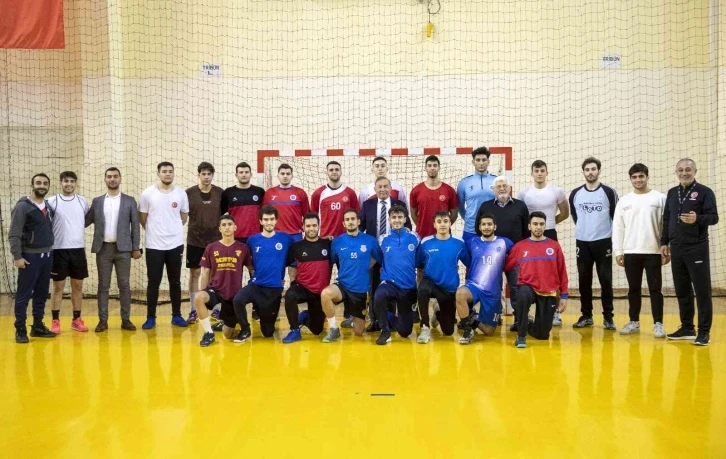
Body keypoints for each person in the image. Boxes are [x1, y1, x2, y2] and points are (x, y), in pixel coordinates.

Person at [660, 158, 719, 346]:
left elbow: (714, 217)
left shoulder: (704, 192)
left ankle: (704, 332)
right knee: (682, 289)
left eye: (687, 169)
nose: (684, 173)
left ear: (694, 171)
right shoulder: (672, 193)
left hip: (697, 247)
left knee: (702, 291)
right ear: (676, 172)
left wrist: (697, 219)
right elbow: (667, 219)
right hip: (676, 248)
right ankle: (687, 328)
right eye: (680, 170)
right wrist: (664, 242)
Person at [613, 163, 667, 338]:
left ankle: (658, 324)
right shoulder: (624, 201)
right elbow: (618, 227)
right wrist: (618, 251)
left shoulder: (660, 198)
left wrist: (668, 248)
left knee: (655, 289)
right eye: (634, 177)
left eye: (641, 176)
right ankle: (634, 322)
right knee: (633, 289)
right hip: (631, 252)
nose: (638, 180)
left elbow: (666, 226)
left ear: (647, 177)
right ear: (630, 179)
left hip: (654, 251)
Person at [85, 167, 142, 332]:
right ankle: (102, 321)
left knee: (124, 285)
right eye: (109, 176)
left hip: (124, 250)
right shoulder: (97, 201)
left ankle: (126, 319)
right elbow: (85, 221)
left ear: (120, 179)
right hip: (103, 249)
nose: (112, 179)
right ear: (105, 179)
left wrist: (136, 248)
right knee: (103, 286)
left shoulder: (130, 201)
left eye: (115, 176)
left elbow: (135, 227)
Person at [505, 212, 569, 348]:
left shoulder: (554, 246)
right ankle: (521, 335)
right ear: (529, 226)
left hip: (548, 290)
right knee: (523, 293)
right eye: (535, 224)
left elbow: (562, 271)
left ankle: (528, 324)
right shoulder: (520, 246)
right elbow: (506, 265)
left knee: (542, 335)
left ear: (545, 226)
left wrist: (564, 296)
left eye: (541, 224)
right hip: (528, 286)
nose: (538, 227)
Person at [517, 160, 569, 325]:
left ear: (547, 172)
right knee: (528, 272)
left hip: (550, 233)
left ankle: (555, 312)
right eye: (536, 171)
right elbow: (522, 215)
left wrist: (547, 225)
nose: (539, 173)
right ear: (532, 173)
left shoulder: (557, 191)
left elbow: (565, 213)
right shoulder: (524, 193)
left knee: (553, 273)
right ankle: (525, 311)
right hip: (530, 236)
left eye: (542, 170)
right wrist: (533, 228)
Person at [569, 157, 618, 330]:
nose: (590, 172)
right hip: (582, 242)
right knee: (584, 280)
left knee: (606, 280)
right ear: (583, 172)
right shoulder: (575, 194)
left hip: (603, 242)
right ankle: (586, 315)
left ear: (599, 171)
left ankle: (608, 317)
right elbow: (575, 216)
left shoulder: (609, 192)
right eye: (587, 169)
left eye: (593, 169)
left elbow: (615, 217)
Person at [139, 161, 190, 329]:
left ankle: (176, 315)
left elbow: (183, 217)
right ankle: (150, 317)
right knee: (153, 282)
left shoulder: (181, 194)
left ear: (173, 173)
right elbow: (143, 218)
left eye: (170, 171)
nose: (168, 174)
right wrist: (155, 231)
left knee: (175, 281)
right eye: (164, 171)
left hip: (175, 244)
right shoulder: (147, 193)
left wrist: (172, 230)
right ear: (158, 173)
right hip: (154, 245)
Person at [320, 208, 383, 342]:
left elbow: (381, 260)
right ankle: (334, 329)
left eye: (353, 219)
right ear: (343, 223)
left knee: (359, 332)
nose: (350, 222)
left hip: (360, 289)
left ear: (358, 221)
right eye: (347, 220)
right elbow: (331, 262)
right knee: (325, 294)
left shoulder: (370, 241)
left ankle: (354, 319)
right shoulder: (337, 242)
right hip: (343, 285)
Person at [231, 206, 293, 342]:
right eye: (266, 219)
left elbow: (292, 257)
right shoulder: (252, 240)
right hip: (256, 286)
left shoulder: (285, 239)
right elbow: (248, 261)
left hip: (274, 289)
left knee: (267, 332)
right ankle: (245, 329)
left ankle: (262, 313)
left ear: (276, 220)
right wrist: (253, 274)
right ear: (260, 221)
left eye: (271, 219)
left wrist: (282, 276)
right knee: (238, 300)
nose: (269, 222)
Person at [9, 173, 57, 343]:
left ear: (48, 186)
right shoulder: (23, 207)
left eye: (45, 183)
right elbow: (14, 234)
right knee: (24, 294)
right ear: (32, 185)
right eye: (38, 183)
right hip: (30, 257)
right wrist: (17, 256)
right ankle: (20, 329)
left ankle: (37, 326)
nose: (42, 186)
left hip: (47, 256)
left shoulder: (49, 207)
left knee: (41, 293)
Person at [359, 176, 411, 330]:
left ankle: (390, 319)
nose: (382, 189)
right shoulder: (367, 205)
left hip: (393, 253)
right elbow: (361, 227)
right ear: (375, 189)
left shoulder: (399, 204)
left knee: (392, 284)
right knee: (374, 286)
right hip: (374, 252)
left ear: (390, 188)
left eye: (385, 186)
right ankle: (374, 320)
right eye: (379, 187)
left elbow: (408, 226)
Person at [476, 175, 528, 327]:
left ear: (510, 188)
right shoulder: (485, 206)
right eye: (498, 186)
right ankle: (495, 316)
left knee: (516, 287)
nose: (502, 188)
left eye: (504, 185)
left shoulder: (520, 206)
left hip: (515, 256)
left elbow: (526, 231)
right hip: (492, 256)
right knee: (493, 287)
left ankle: (519, 318)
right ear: (493, 189)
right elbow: (478, 230)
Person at [195, 215, 253, 347]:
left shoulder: (243, 248)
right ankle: (209, 333)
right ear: (220, 228)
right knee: (199, 297)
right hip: (215, 289)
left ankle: (226, 323)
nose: (227, 227)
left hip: (233, 294)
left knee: (227, 335)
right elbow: (205, 272)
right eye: (224, 225)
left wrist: (252, 288)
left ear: (235, 227)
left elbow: (251, 269)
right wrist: (203, 291)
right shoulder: (211, 247)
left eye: (229, 224)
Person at [456, 213, 513, 345]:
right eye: (483, 224)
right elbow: (465, 259)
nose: (486, 227)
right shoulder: (471, 242)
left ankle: (473, 319)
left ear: (495, 226)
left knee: (489, 331)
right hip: (474, 286)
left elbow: (517, 255)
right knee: (460, 294)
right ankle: (467, 330)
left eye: (489, 224)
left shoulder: (505, 242)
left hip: (493, 291)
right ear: (479, 227)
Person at [416, 211, 469, 343]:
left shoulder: (459, 243)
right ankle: (425, 327)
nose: (442, 224)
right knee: (422, 289)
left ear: (450, 223)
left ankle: (438, 313)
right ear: (434, 225)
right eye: (439, 222)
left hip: (448, 288)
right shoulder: (426, 242)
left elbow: (469, 263)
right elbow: (419, 264)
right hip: (430, 282)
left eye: (445, 221)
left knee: (448, 331)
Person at [47, 171, 90, 333]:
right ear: (60, 183)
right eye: (66, 181)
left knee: (77, 286)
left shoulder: (82, 201)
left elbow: (83, 221)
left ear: (76, 183)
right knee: (58, 287)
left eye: (72, 181)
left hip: (78, 250)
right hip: (58, 250)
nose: (69, 184)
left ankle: (76, 320)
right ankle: (55, 321)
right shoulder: (52, 201)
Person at [281, 213, 333, 344]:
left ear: (319, 226)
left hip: (320, 293)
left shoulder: (328, 244)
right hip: (303, 288)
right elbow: (287, 264)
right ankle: (294, 330)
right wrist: (290, 281)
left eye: (314, 225)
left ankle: (304, 317)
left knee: (317, 330)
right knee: (290, 295)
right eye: (308, 226)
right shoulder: (296, 247)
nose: (311, 229)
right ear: (303, 227)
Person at [374, 205, 421, 345]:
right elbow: (379, 258)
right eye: (393, 217)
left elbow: (419, 259)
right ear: (389, 220)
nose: (397, 220)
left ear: (405, 219)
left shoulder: (415, 237)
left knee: (405, 332)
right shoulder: (383, 239)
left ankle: (388, 317)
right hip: (389, 283)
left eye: (400, 217)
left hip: (408, 286)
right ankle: (385, 331)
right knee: (379, 296)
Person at [185, 161, 223, 324]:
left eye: (209, 174)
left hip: (215, 241)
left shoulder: (220, 193)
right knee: (195, 273)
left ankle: (216, 308)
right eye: (203, 174)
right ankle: (194, 309)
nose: (206, 177)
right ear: (198, 175)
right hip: (195, 240)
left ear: (212, 176)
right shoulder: (189, 193)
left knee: (215, 274)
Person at [409, 155, 458, 239]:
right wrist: (422, 226)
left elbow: (454, 214)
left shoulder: (449, 190)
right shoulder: (416, 191)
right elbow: (413, 213)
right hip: (422, 236)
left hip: (443, 236)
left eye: (435, 165)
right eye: (429, 165)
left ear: (439, 167)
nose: (432, 168)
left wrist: (443, 227)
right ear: (425, 168)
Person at [456, 147, 496, 244]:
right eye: (478, 160)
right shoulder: (464, 182)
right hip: (471, 230)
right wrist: (469, 219)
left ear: (488, 162)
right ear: (473, 162)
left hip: (491, 230)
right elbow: (460, 206)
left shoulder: (496, 180)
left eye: (484, 160)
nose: (481, 163)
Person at [310, 161, 360, 238]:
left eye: (337, 169)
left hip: (346, 237)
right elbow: (312, 217)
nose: (334, 172)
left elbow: (357, 214)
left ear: (341, 172)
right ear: (327, 172)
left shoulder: (350, 193)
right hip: (325, 237)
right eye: (331, 170)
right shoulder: (318, 193)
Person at [220, 161, 265, 243]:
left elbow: (264, 215)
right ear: (236, 175)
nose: (244, 175)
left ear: (251, 174)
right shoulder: (228, 193)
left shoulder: (260, 192)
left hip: (255, 237)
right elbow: (222, 215)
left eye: (246, 172)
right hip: (235, 238)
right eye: (241, 172)